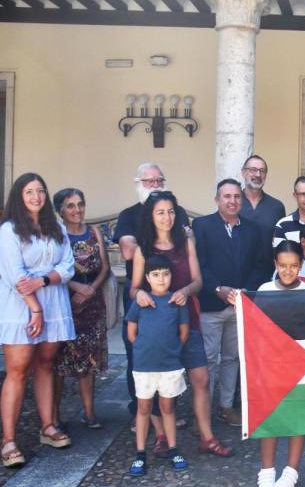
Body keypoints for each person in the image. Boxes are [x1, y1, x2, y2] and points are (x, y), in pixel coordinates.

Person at [131, 190, 232, 458]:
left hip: (189, 320)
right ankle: (162, 436)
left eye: (171, 211)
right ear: (151, 216)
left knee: (201, 377)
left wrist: (186, 292)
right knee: (158, 384)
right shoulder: (144, 248)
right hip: (155, 328)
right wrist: (140, 293)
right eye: (160, 212)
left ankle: (207, 437)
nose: (167, 217)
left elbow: (198, 281)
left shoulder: (186, 242)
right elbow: (134, 288)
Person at [0, 173, 76, 468]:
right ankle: (8, 440)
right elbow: (13, 273)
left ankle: (47, 426)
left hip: (52, 299)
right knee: (17, 369)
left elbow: (67, 266)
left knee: (45, 364)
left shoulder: (57, 227)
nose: (36, 197)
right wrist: (34, 308)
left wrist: (43, 280)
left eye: (40, 191)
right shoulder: (9, 229)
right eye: (29, 191)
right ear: (19, 195)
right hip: (20, 306)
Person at [114, 163, 189, 422]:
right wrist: (153, 242)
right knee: (138, 354)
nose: (155, 185)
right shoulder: (128, 215)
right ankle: (140, 411)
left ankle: (167, 411)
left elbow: (185, 241)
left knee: (170, 354)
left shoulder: (176, 212)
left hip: (171, 300)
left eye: (159, 180)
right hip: (141, 301)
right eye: (149, 181)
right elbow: (127, 250)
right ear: (138, 184)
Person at [193, 179, 271, 428]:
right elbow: (199, 264)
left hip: (240, 305)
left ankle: (226, 406)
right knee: (207, 359)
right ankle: (202, 412)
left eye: (237, 196)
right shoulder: (202, 226)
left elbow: (262, 265)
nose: (232, 201)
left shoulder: (253, 229)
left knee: (232, 358)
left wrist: (244, 291)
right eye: (227, 196)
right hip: (210, 304)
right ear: (217, 200)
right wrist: (217, 288)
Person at [125, 254, 190, 476]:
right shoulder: (140, 302)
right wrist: (146, 350)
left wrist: (170, 351)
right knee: (143, 410)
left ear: (171, 276)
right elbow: (131, 333)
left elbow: (183, 333)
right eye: (155, 275)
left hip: (170, 366)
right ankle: (140, 454)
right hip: (144, 367)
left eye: (165, 274)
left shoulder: (177, 302)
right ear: (147, 278)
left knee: (168, 408)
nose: (161, 279)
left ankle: (173, 449)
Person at [51, 188, 109, 431]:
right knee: (59, 362)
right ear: (60, 210)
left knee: (89, 360)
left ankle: (89, 411)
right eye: (70, 205)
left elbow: (105, 267)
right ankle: (53, 417)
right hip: (64, 303)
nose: (77, 210)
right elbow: (51, 268)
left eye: (80, 204)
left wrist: (91, 289)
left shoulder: (94, 232)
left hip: (93, 304)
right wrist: (74, 287)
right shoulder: (56, 235)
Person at [255, 241, 305, 487]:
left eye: (294, 265)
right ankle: (266, 473)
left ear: (301, 265)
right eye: (283, 265)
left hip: (300, 366)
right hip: (270, 368)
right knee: (270, 418)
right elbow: (254, 327)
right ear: (276, 264)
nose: (288, 271)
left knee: (298, 418)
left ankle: (290, 473)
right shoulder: (265, 289)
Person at [240, 155, 287, 255]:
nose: (258, 174)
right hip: (236, 269)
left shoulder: (277, 207)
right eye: (253, 170)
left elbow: (280, 243)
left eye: (262, 171)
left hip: (267, 269)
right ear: (243, 173)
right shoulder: (233, 204)